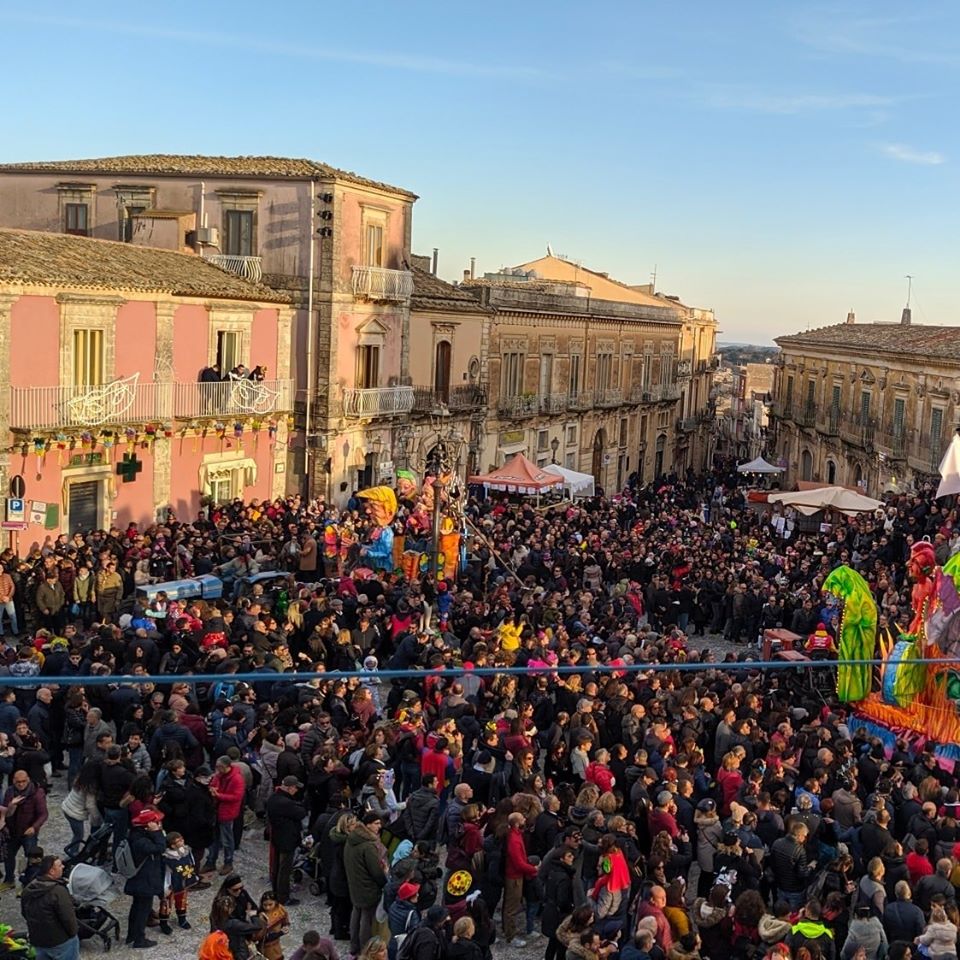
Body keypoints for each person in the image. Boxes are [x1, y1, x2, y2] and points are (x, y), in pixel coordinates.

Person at [344, 811, 387, 956]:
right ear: (368, 825)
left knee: (356, 913)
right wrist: (383, 882)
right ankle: (365, 950)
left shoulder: (352, 838)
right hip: (367, 887)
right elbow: (376, 871)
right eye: (376, 823)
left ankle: (354, 946)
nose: (379, 827)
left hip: (355, 884)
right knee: (366, 920)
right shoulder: (368, 845)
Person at [20, 854, 79, 960]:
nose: (63, 867)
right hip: (60, 942)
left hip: (38, 940)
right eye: (60, 865)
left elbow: (24, 913)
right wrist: (73, 933)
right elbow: (68, 918)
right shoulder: (58, 891)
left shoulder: (28, 889)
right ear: (51, 871)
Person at [124, 808, 167, 949]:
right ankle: (139, 939)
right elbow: (160, 847)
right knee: (142, 910)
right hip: (144, 880)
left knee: (136, 908)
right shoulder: (141, 840)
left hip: (141, 879)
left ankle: (132, 935)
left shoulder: (137, 835)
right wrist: (157, 833)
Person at [2, 768, 47, 889]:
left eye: (23, 781)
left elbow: (43, 814)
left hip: (29, 832)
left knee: (32, 859)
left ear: (28, 780)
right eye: (18, 782)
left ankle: (29, 883)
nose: (21, 784)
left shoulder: (37, 793)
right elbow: (5, 812)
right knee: (8, 856)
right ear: (13, 781)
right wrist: (12, 805)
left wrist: (34, 827)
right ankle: (9, 880)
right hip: (12, 831)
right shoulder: (10, 791)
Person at [266, 775, 307, 906]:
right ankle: (283, 896)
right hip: (287, 839)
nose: (297, 790)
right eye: (295, 788)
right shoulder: (285, 802)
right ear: (290, 788)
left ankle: (276, 891)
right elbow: (301, 813)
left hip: (278, 837)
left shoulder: (274, 798)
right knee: (284, 869)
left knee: (277, 867)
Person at [202, 755, 246, 876]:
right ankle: (211, 861)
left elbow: (236, 797)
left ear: (226, 767)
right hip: (216, 810)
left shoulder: (237, 779)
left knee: (227, 839)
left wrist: (218, 795)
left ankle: (228, 862)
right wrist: (212, 789)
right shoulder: (219, 775)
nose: (216, 769)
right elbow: (214, 783)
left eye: (219, 767)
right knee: (213, 838)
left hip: (227, 812)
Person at [502, 810, 538, 947]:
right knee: (511, 907)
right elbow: (519, 863)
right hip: (514, 877)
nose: (525, 821)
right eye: (522, 820)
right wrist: (533, 869)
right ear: (517, 823)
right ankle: (511, 936)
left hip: (515, 875)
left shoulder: (515, 835)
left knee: (510, 905)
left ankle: (508, 931)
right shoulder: (514, 840)